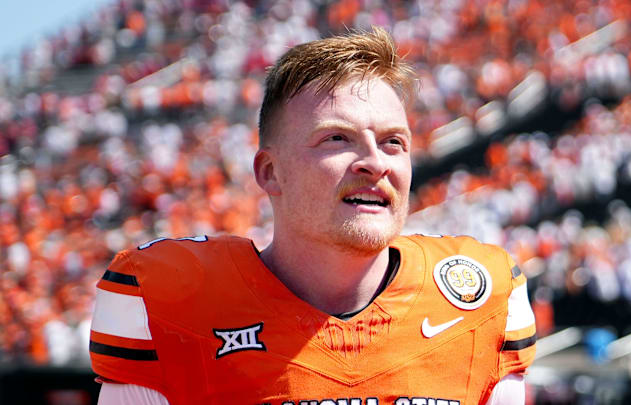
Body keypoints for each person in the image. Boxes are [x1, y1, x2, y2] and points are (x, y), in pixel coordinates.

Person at [89, 27, 536, 405]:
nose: (374, 162)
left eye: (393, 142)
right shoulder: (172, 302)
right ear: (270, 172)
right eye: (338, 139)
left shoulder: (477, 299)